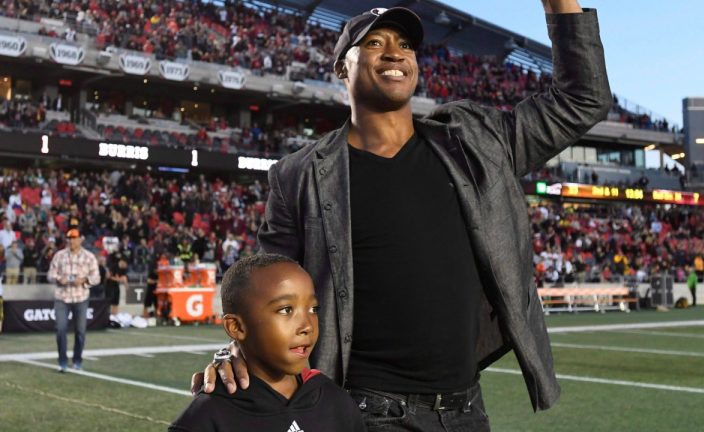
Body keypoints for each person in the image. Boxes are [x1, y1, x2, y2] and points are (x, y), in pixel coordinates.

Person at [196, 1, 610, 429]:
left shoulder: (475, 143)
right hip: (369, 413)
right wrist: (233, 353)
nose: (395, 52)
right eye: (374, 43)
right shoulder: (301, 175)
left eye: (405, 44)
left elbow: (584, 98)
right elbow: (266, 290)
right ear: (342, 67)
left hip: (467, 409)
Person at [169, 254, 365, 432]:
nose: (307, 326)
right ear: (236, 326)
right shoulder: (206, 417)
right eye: (286, 310)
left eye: (313, 309)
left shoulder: (336, 403)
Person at [47, 229, 100, 372]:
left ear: (81, 239)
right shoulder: (59, 256)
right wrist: (59, 279)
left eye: (74, 238)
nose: (71, 241)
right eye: (69, 238)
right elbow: (50, 274)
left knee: (80, 331)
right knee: (60, 329)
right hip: (62, 297)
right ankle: (62, 361)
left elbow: (96, 277)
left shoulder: (89, 257)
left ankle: (77, 360)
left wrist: (84, 281)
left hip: (81, 297)